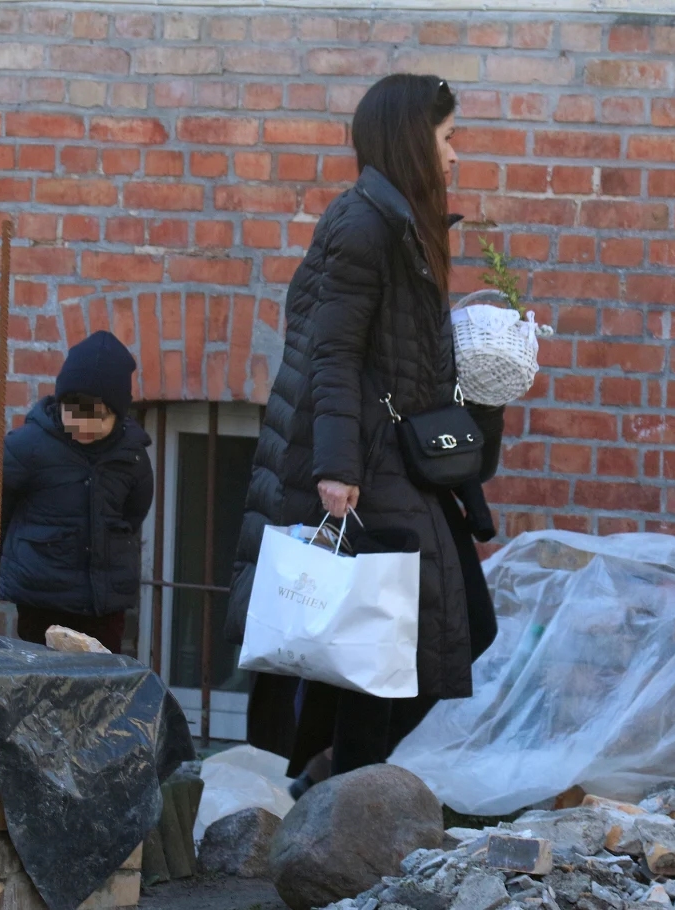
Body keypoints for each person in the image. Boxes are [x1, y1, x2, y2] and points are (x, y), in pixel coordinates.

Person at [225, 74, 506, 792]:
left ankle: (330, 780)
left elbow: (405, 357)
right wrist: (336, 468)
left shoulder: (400, 221)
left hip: (399, 461)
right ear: (415, 139)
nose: (454, 156)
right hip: (367, 465)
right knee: (392, 646)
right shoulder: (363, 226)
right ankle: (346, 794)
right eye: (448, 139)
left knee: (437, 634)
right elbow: (334, 353)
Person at [0, 330, 154, 654]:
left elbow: (134, 510)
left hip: (103, 603)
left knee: (99, 686)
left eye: (98, 416)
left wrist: (110, 541)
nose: (84, 424)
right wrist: (8, 551)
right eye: (75, 412)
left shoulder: (132, 455)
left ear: (119, 413)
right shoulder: (29, 446)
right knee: (39, 685)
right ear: (60, 405)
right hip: (43, 599)